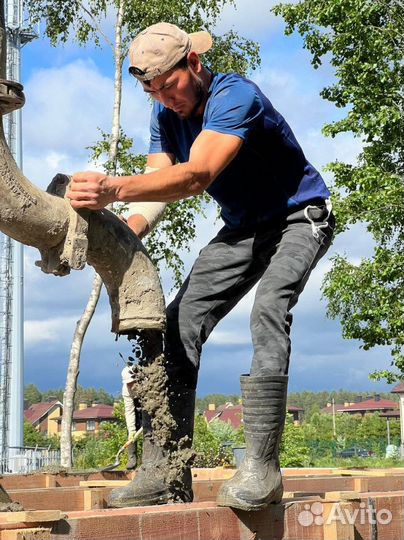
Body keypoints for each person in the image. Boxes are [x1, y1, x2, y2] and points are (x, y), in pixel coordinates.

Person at [67, 22, 335, 511]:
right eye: (154, 93)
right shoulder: (164, 115)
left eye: (170, 87)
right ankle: (165, 473)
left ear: (193, 64)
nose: (166, 100)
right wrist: (109, 236)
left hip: (299, 219)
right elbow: (156, 189)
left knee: (268, 310)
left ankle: (261, 469)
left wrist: (111, 186)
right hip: (243, 230)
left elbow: (196, 176)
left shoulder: (236, 96)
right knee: (175, 324)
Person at [121, 365, 142, 470]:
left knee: (149, 431)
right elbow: (129, 411)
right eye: (128, 384)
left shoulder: (146, 382)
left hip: (148, 402)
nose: (131, 386)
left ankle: (148, 459)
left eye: (132, 383)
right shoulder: (126, 390)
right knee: (131, 431)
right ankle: (132, 458)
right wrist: (132, 431)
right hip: (135, 406)